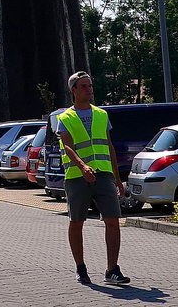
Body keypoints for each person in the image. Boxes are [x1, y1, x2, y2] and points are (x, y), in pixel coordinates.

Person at [57, 71, 129, 285]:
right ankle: (80, 267)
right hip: (77, 176)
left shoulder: (102, 114)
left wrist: (117, 178)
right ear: (74, 90)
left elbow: (109, 147)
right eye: (84, 86)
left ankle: (112, 270)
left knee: (113, 221)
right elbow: (67, 146)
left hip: (104, 175)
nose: (89, 90)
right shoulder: (64, 118)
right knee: (77, 222)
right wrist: (82, 166)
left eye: (90, 86)